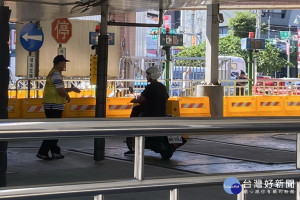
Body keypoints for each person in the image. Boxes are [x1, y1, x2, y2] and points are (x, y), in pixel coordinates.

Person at [36, 55, 81, 160]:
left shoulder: (53, 74)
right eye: (63, 63)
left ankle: (55, 152)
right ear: (59, 63)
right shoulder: (56, 74)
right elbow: (60, 91)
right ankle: (43, 152)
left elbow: (60, 88)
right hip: (54, 106)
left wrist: (71, 90)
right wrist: (67, 95)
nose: (64, 65)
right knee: (53, 130)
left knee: (54, 130)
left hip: (51, 105)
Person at [124, 67, 169, 155]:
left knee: (134, 127)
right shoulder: (163, 87)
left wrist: (134, 100)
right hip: (161, 114)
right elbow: (167, 98)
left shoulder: (150, 87)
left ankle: (134, 149)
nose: (146, 77)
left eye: (147, 75)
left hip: (149, 114)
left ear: (152, 75)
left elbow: (141, 99)